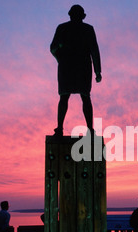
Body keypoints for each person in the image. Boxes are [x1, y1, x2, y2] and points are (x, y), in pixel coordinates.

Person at [50, 4, 102, 136]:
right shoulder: (85, 29)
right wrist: (97, 71)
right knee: (74, 97)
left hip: (73, 67)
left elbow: (53, 48)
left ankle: (66, 128)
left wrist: (97, 71)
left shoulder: (65, 28)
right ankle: (66, 128)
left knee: (74, 97)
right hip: (77, 67)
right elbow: (94, 51)